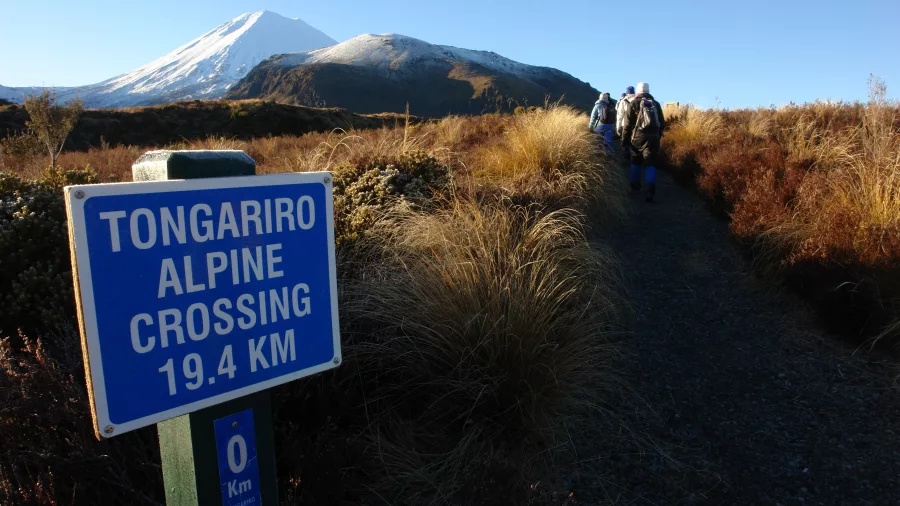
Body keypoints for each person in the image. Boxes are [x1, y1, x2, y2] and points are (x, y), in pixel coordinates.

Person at [621, 82, 665, 202]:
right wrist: (658, 136)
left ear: (638, 91)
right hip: (654, 138)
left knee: (635, 160)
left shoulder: (633, 103)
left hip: (638, 138)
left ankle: (635, 187)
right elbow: (662, 123)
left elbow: (627, 125)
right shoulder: (655, 104)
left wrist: (624, 142)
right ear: (648, 90)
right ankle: (650, 190)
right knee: (650, 163)